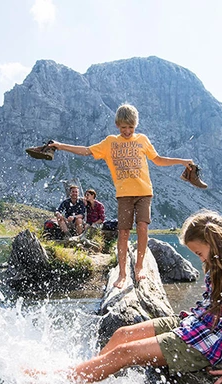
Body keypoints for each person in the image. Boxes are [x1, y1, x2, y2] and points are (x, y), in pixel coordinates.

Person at [58, 210, 222, 384]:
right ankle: (86, 377)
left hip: (207, 345)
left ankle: (61, 382)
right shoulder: (220, 261)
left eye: (199, 252)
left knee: (124, 353)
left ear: (214, 241)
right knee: (122, 335)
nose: (199, 258)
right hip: (193, 326)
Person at [51, 104, 195, 288]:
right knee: (124, 232)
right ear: (117, 126)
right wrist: (60, 146)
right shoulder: (110, 143)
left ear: (136, 126)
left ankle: (139, 267)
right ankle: (122, 274)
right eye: (123, 127)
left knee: (142, 227)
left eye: (131, 128)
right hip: (124, 195)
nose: (127, 131)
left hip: (144, 193)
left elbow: (158, 160)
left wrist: (182, 162)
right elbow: (86, 150)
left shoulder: (142, 140)